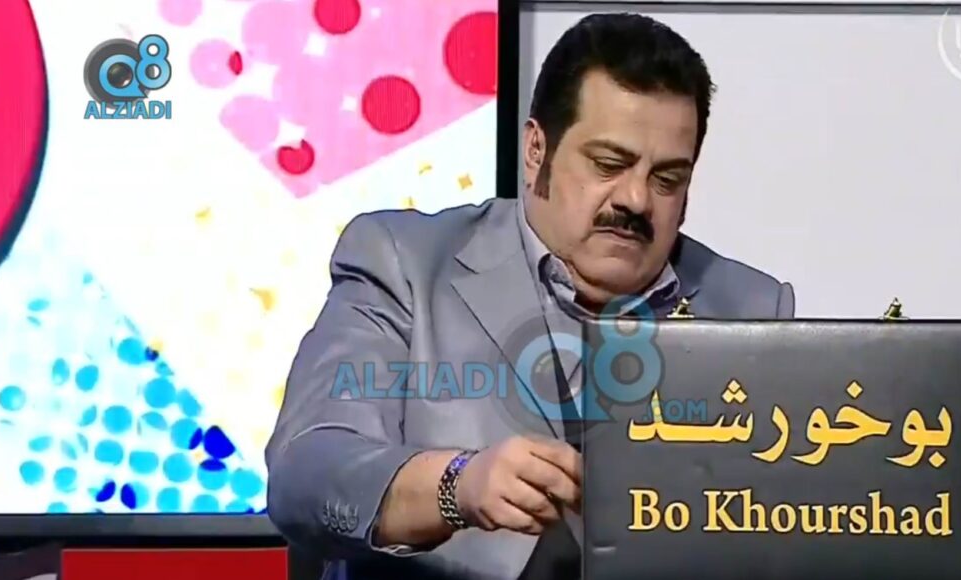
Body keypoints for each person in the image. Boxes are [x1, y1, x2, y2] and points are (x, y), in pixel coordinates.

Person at [266, 12, 795, 580]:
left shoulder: (752, 309)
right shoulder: (406, 264)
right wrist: (457, 486)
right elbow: (307, 471)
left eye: (667, 179)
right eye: (609, 165)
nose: (637, 200)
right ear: (536, 150)